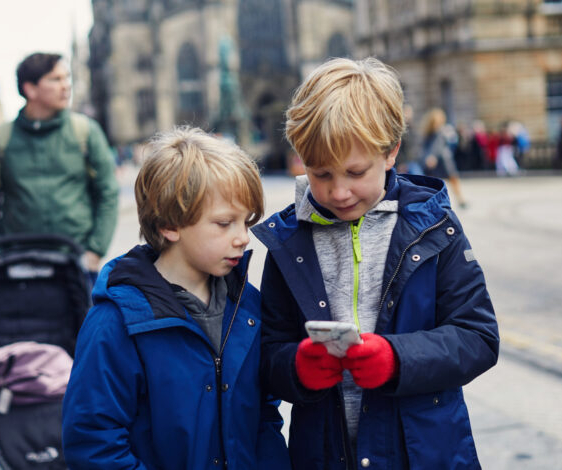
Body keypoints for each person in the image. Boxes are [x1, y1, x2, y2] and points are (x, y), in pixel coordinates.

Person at [253, 57, 499, 469]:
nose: (339, 191)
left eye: (354, 171)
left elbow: (478, 337)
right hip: (326, 454)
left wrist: (397, 358)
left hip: (421, 453)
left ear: (391, 152)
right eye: (321, 174)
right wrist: (295, 368)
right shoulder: (288, 239)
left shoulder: (435, 226)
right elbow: (268, 350)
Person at [62, 126, 290, 469]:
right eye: (225, 223)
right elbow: (93, 442)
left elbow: (264, 416)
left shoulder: (246, 307)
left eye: (246, 222)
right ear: (171, 225)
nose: (243, 238)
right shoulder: (116, 323)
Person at [0, 52, 119, 281]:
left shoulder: (86, 132)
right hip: (18, 266)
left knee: (87, 318)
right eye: (55, 79)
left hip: (77, 263)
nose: (66, 86)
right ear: (30, 89)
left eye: (66, 77)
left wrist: (95, 250)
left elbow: (108, 192)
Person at [420, 108, 468, 208]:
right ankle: (436, 201)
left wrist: (432, 156)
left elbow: (439, 145)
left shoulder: (442, 131)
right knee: (435, 182)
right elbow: (428, 147)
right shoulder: (429, 133)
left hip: (445, 160)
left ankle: (460, 199)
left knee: (453, 179)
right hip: (436, 161)